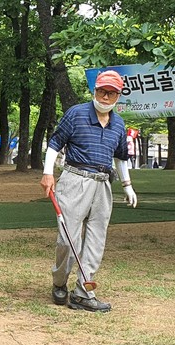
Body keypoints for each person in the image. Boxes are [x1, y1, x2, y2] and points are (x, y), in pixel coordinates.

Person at [39, 70, 139, 313]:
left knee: (96, 240)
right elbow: (54, 143)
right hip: (75, 179)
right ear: (95, 91)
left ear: (118, 96)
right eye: (102, 91)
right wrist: (48, 172)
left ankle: (83, 293)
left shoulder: (118, 124)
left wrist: (127, 186)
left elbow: (121, 157)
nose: (105, 96)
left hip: (103, 184)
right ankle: (59, 281)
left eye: (111, 93)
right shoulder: (76, 114)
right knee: (68, 238)